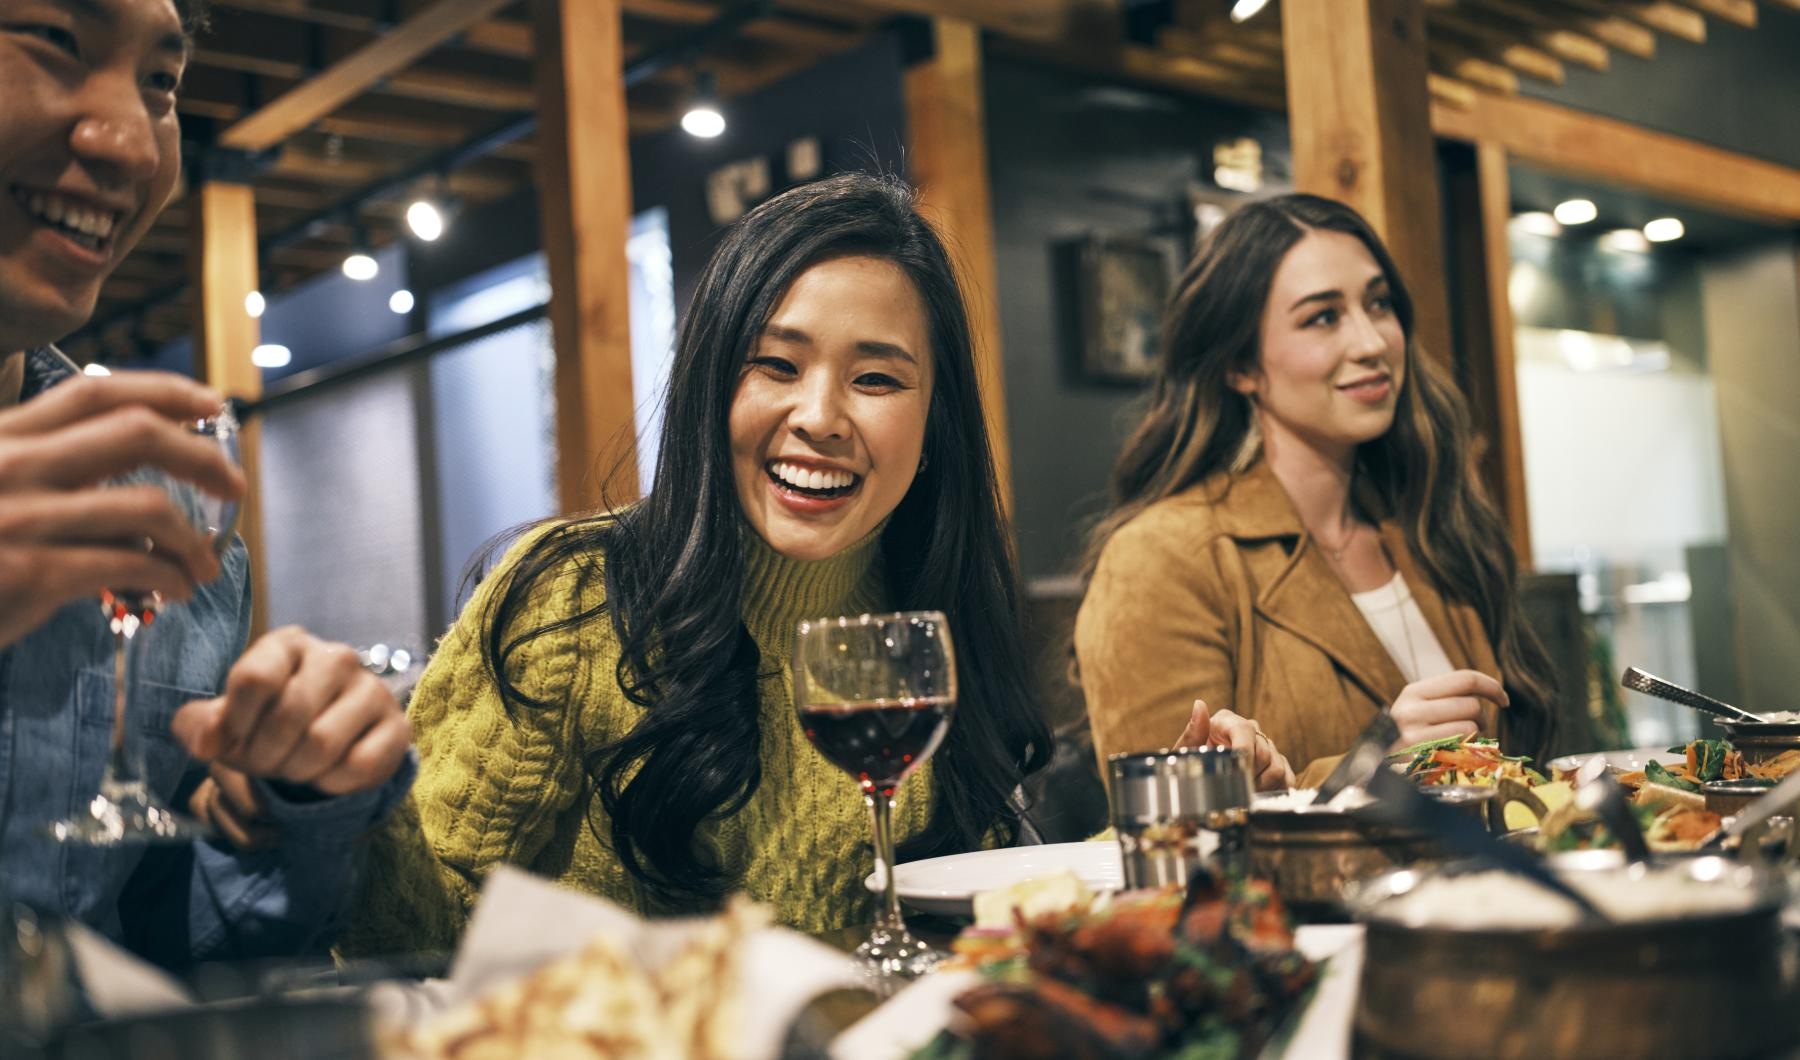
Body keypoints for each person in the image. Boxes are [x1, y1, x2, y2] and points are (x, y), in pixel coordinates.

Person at [342, 172, 1052, 951]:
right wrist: (351, 800)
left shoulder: (932, 624)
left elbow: (994, 927)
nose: (819, 418)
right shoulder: (576, 598)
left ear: (934, 425)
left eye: (876, 379)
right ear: (711, 388)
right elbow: (414, 937)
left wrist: (1183, 830)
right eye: (777, 365)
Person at [0, 0, 413, 969]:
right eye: (55, 40)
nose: (131, 144)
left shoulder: (152, 499)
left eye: (163, 83)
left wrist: (295, 796)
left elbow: (160, 938)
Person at [1074, 193, 1556, 790]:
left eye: (1378, 304)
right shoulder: (1161, 556)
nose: (1371, 341)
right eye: (1322, 317)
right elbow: (1171, 822)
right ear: (1241, 366)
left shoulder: (1429, 525)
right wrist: (1378, 762)